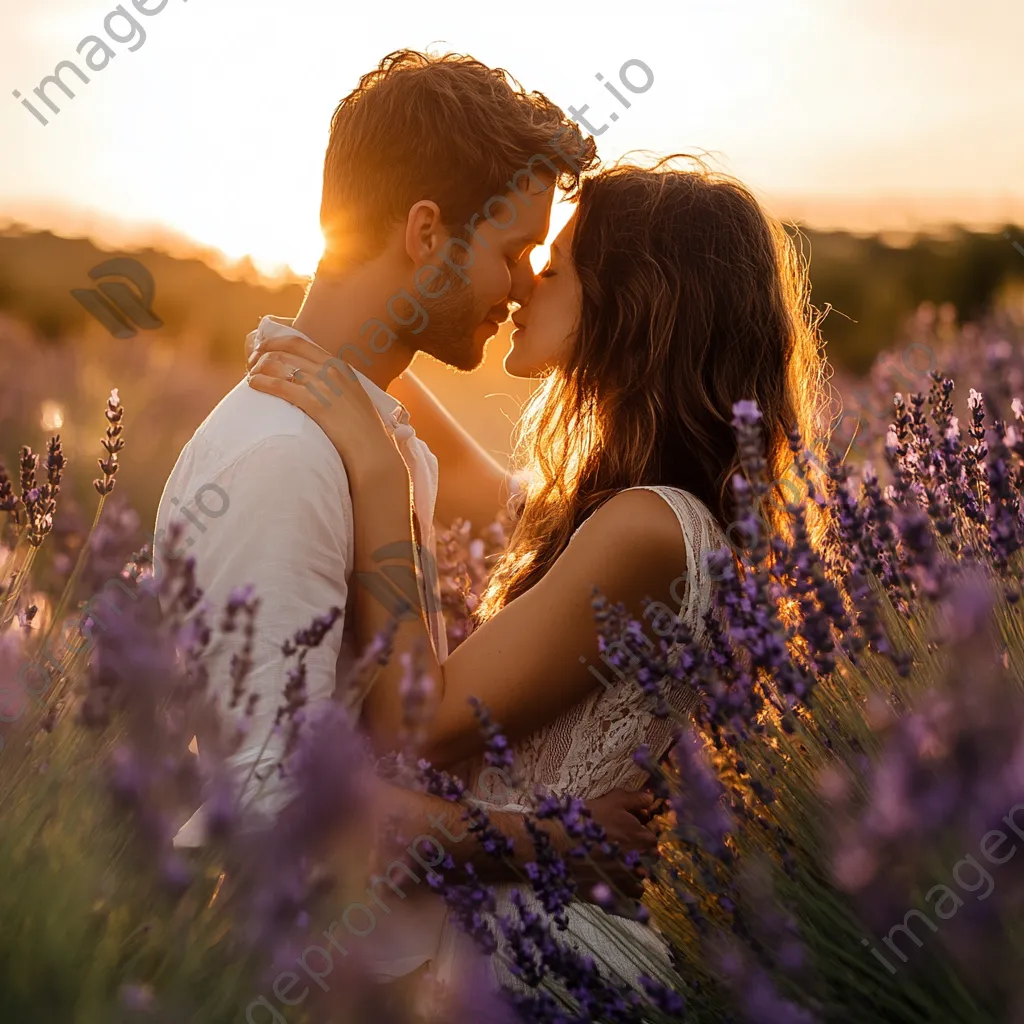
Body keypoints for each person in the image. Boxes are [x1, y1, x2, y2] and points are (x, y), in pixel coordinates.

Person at [245, 155, 828, 994]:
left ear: (631, 302)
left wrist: (378, 470)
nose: (523, 286)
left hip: (550, 966)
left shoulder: (648, 530)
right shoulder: (635, 512)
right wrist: (370, 310)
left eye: (551, 267)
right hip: (527, 935)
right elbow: (486, 487)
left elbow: (421, 722)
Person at [154, 49, 656, 986]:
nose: (519, 289)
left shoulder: (371, 440)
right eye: (511, 252)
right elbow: (277, 806)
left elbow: (401, 726)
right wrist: (545, 839)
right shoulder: (286, 458)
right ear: (426, 230)